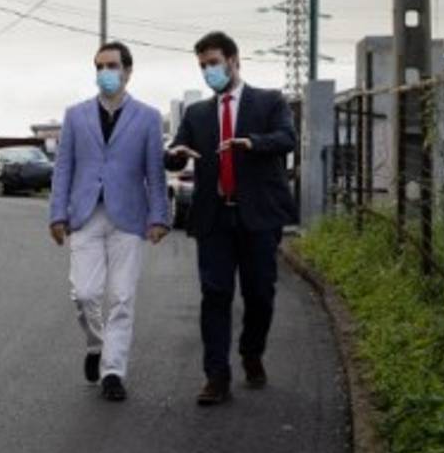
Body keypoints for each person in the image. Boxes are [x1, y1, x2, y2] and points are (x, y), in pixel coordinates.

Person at [165, 31, 298, 406]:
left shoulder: (269, 101)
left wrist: (252, 143)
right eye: (203, 66)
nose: (209, 71)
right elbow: (174, 153)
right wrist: (175, 154)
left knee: (260, 294)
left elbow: (287, 138)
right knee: (215, 294)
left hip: (258, 216)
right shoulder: (197, 114)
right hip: (214, 217)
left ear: (234, 61)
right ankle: (216, 376)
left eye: (214, 63)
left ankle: (251, 351)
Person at [49, 41, 170, 402]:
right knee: (84, 293)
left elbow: (155, 172)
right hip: (85, 215)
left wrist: (159, 216)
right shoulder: (76, 115)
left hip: (128, 218)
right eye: (99, 66)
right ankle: (96, 343)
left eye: (112, 66)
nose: (105, 73)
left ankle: (113, 371)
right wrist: (57, 214)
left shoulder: (148, 117)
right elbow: (63, 168)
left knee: (121, 297)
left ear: (127, 71)